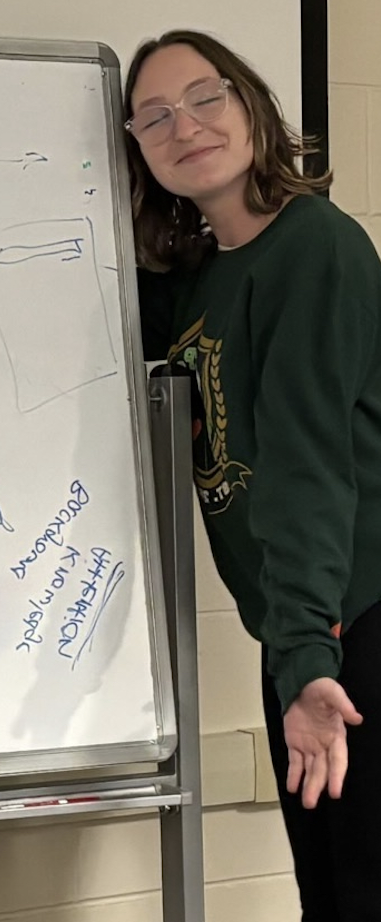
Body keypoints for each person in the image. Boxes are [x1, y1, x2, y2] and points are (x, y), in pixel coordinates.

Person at [124, 29, 381, 920]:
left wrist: (310, 659)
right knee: (331, 890)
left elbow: (309, 465)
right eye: (153, 117)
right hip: (303, 628)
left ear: (251, 104)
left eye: (205, 97)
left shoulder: (312, 247)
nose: (184, 125)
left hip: (354, 619)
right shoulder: (200, 279)